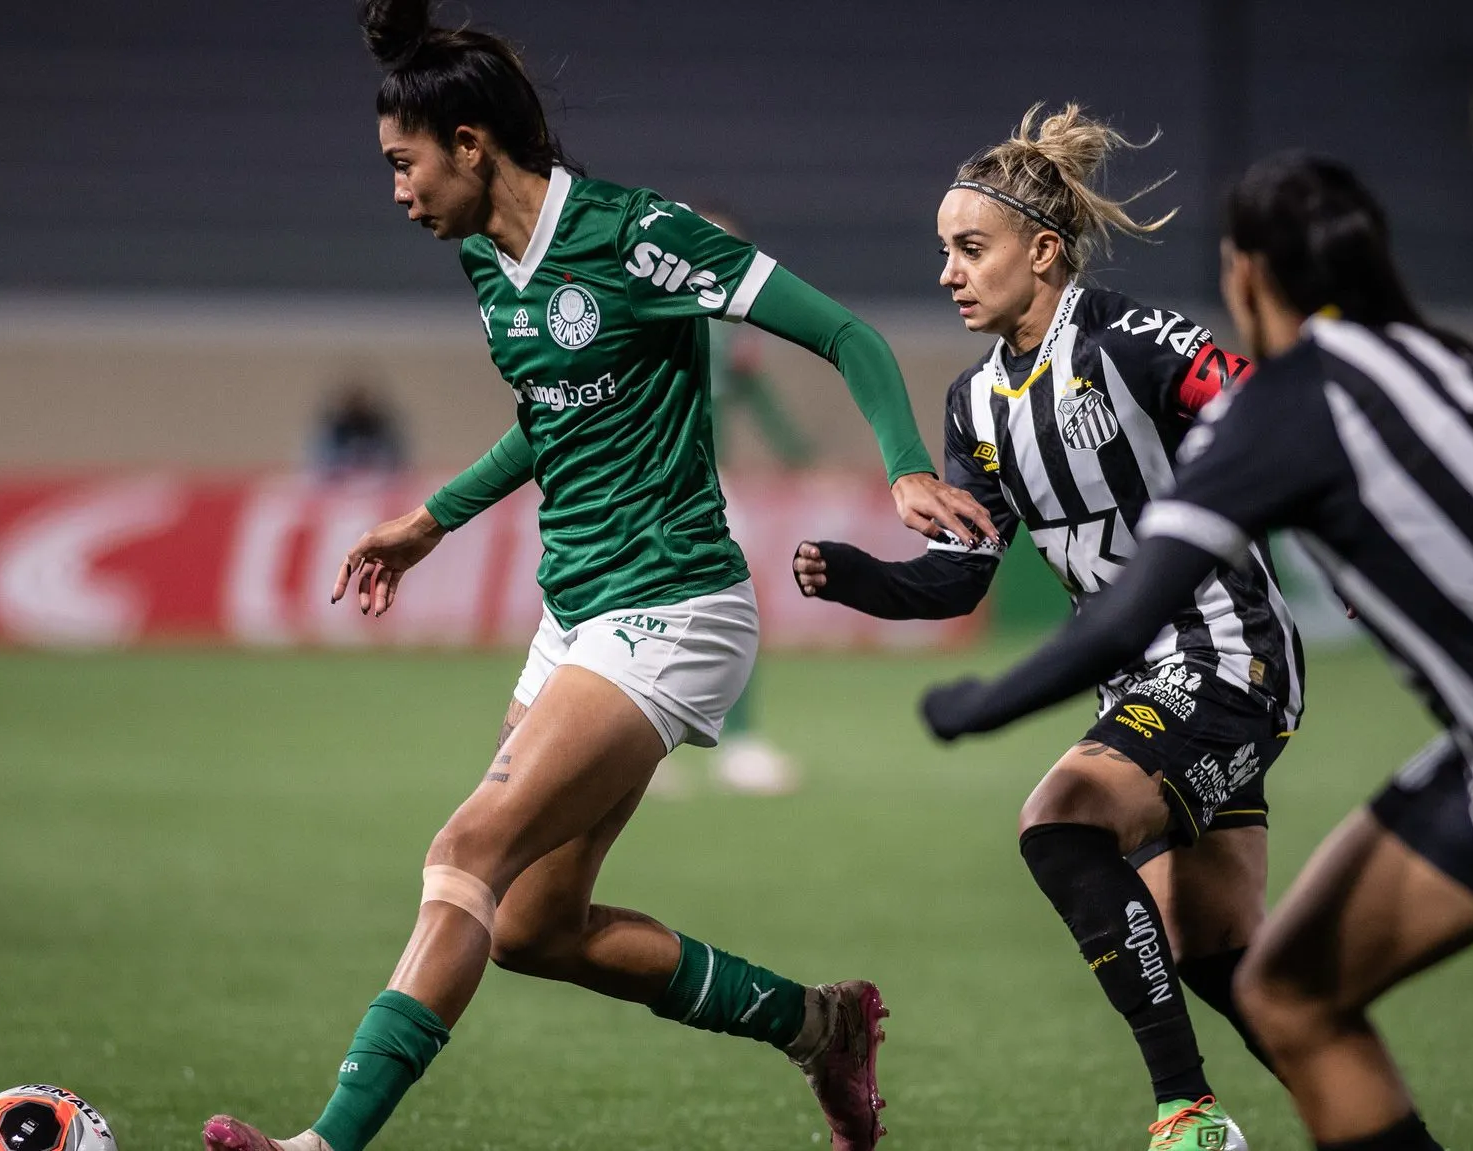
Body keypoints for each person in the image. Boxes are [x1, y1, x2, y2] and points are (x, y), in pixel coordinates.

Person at [200, 3, 998, 1151]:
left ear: (469, 143)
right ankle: (823, 1024)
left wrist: (906, 468)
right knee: (530, 923)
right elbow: (552, 415)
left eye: (402, 163)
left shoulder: (637, 236)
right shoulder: (485, 257)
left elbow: (849, 335)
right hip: (575, 611)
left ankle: (321, 1144)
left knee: (463, 851)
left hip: (671, 604)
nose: (396, 191)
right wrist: (429, 520)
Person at [917, 152, 1473, 1150]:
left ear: (1247, 276)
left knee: (1302, 993)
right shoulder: (1456, 364)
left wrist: (979, 706)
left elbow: (1125, 618)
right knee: (1283, 989)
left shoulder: (1288, 411)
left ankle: (1189, 1110)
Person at [793, 104, 1302, 1151]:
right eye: (943, 251)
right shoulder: (973, 405)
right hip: (1143, 686)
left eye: (970, 248)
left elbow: (1269, 415)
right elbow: (957, 580)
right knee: (1211, 950)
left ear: (1043, 251)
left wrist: (1343, 528)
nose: (949, 272)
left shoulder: (1134, 339)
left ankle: (1187, 1117)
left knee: (1061, 819)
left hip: (1224, 652)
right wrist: (858, 579)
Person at [704, 206, 813, 797]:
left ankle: (732, 744)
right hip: (650, 482)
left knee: (727, 602)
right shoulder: (656, 314)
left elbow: (760, 401)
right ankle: (731, 745)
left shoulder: (730, 330)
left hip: (709, 483)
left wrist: (799, 455)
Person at [308, 379, 408, 477]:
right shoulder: (337, 430)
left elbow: (393, 458)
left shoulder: (378, 426)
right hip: (341, 481)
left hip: (377, 479)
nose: (357, 405)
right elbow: (322, 459)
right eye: (354, 401)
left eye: (361, 401)